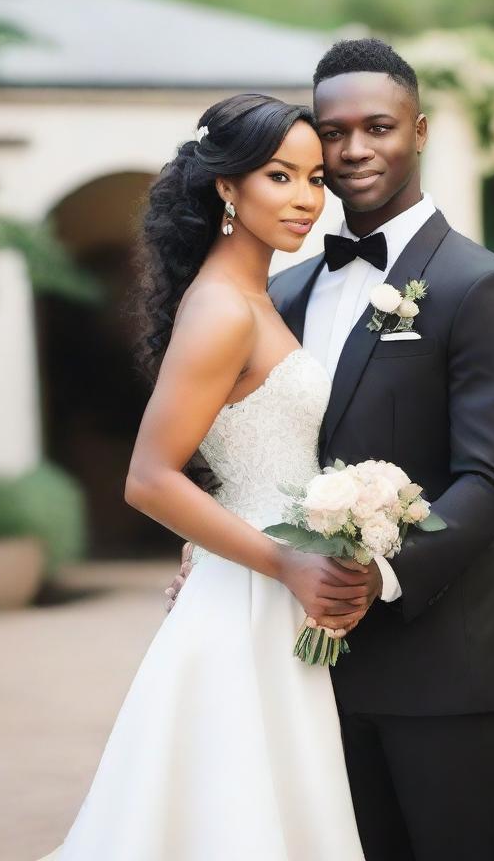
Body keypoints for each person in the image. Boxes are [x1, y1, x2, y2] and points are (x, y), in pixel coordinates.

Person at [168, 39, 494, 861]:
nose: (354, 149)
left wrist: (382, 575)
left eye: (378, 127)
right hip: (295, 670)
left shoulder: (481, 288)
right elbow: (233, 435)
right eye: (333, 133)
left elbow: (493, 479)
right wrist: (210, 537)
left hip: (436, 672)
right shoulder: (284, 292)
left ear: (421, 130)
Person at [37, 93, 367, 861]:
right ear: (228, 187)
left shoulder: (263, 300)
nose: (306, 199)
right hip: (253, 594)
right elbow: (149, 478)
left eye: (315, 178)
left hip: (277, 588)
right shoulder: (223, 309)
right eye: (280, 176)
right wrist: (286, 561)